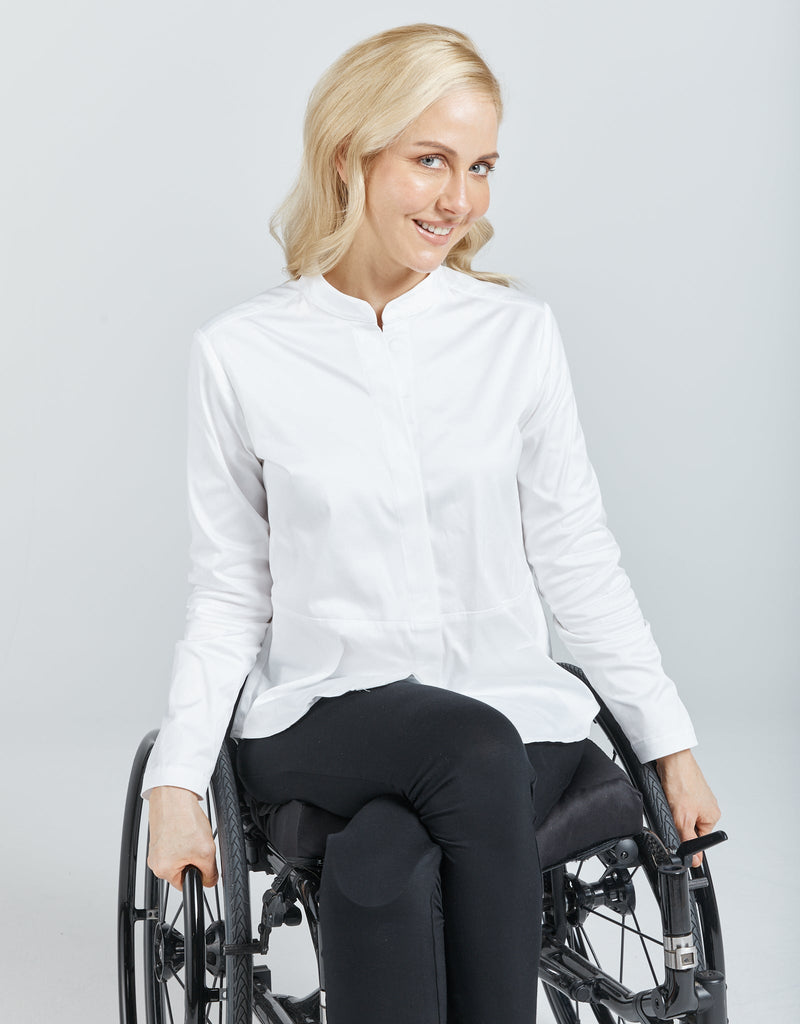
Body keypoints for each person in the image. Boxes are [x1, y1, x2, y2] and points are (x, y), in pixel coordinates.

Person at [144, 22, 721, 1024]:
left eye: (480, 166)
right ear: (347, 158)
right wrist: (175, 777)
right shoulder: (242, 355)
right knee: (466, 750)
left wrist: (665, 741)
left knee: (384, 864)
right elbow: (232, 587)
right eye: (429, 161)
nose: (459, 198)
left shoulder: (514, 339)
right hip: (326, 711)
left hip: (507, 703)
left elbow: (575, 557)